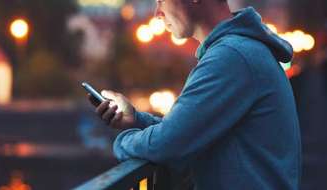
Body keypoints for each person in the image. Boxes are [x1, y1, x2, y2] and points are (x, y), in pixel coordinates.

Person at [88, 0, 301, 189]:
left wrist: (122, 142)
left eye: (161, 1)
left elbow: (167, 144)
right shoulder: (239, 51)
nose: (157, 13)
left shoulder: (231, 57)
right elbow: (188, 130)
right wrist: (135, 120)